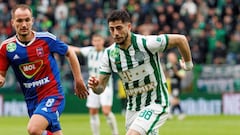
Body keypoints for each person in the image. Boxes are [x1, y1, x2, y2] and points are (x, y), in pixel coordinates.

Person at [88, 10, 193, 135]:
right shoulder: (109, 54)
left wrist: (187, 65)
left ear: (129, 27)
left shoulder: (146, 43)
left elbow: (180, 39)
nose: (115, 33)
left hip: (156, 102)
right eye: (112, 29)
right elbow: (100, 88)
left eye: (119, 28)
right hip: (132, 109)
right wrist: (95, 87)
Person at [0, 4, 88, 135]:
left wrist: (78, 79)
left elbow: (70, 52)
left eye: (27, 20)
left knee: (34, 129)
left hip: (53, 95)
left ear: (32, 21)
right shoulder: (7, 47)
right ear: (12, 22)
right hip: (32, 100)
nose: (24, 24)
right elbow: (1, 74)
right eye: (19, 20)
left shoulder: (46, 39)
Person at [70, 34, 119, 135]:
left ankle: (115, 133)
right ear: (92, 42)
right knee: (93, 111)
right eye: (95, 40)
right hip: (92, 85)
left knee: (106, 111)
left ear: (102, 41)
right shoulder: (90, 51)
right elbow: (76, 49)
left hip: (105, 85)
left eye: (99, 40)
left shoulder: (108, 52)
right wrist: (59, 45)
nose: (97, 42)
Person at [165, 52, 186, 120]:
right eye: (169, 58)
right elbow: (167, 75)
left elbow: (182, 76)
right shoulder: (168, 66)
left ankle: (171, 113)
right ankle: (180, 113)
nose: (170, 59)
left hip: (177, 85)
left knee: (175, 99)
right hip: (170, 85)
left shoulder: (179, 66)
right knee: (174, 100)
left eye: (171, 57)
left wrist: (175, 70)